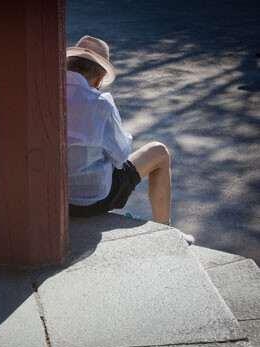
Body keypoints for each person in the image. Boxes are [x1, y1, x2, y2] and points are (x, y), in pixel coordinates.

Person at [66, 35, 194, 245]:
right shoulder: (101, 104)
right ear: (99, 79)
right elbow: (121, 156)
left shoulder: (44, 95)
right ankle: (167, 232)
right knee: (159, 152)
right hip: (90, 201)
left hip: (55, 197)